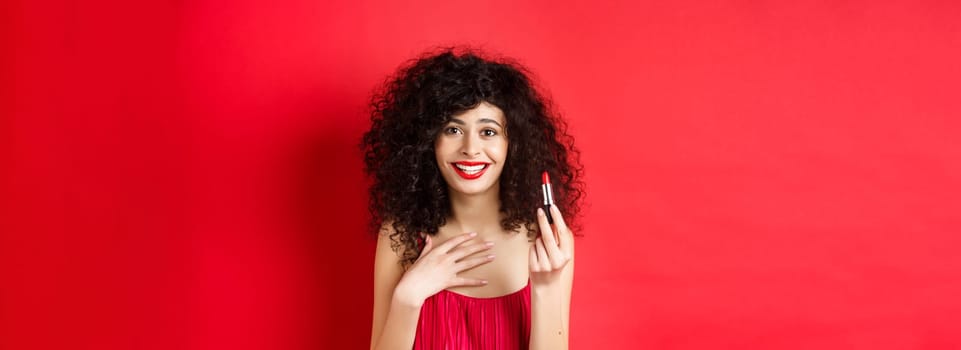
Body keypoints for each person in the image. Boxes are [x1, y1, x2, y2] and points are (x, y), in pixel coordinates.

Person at [362, 48, 584, 350]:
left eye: (488, 132)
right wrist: (408, 298)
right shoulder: (399, 236)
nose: (470, 148)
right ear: (428, 140)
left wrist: (546, 288)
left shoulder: (549, 241)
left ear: (513, 144)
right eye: (453, 129)